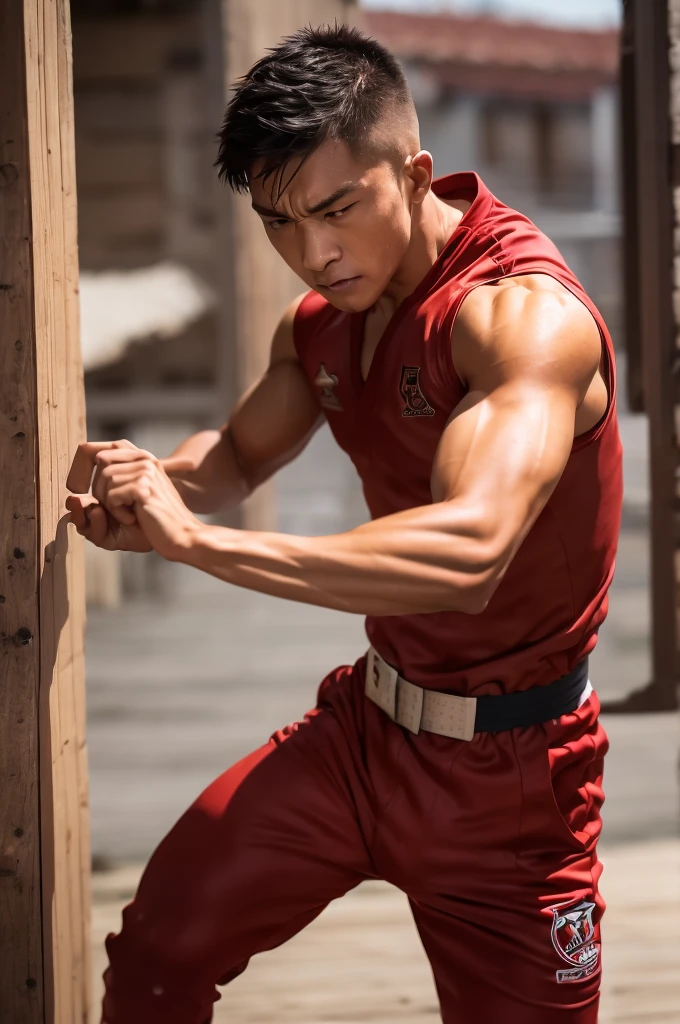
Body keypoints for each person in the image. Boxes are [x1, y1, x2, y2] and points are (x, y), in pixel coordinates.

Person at [66, 24, 622, 1024]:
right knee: (158, 946)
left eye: (336, 209)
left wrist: (198, 545)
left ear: (411, 172)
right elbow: (233, 458)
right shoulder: (322, 322)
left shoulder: (520, 319)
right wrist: (150, 487)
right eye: (278, 222)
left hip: (514, 782)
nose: (312, 252)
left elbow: (467, 551)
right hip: (365, 738)